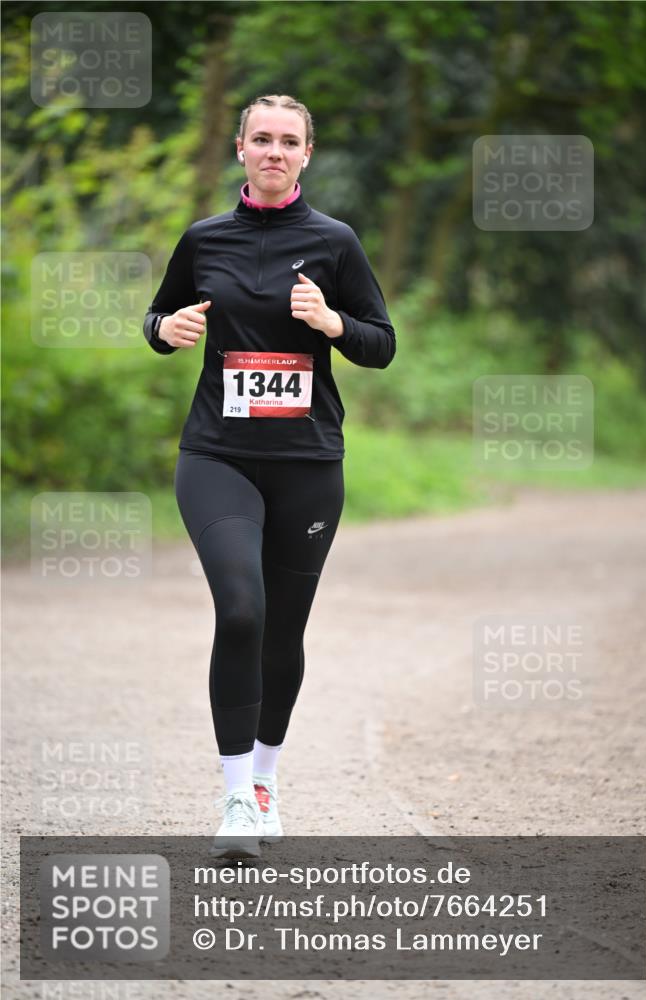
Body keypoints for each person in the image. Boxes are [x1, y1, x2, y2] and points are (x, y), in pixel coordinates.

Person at [143, 94, 396, 859]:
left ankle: (264, 781)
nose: (274, 151)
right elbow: (158, 319)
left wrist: (331, 324)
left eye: (289, 141)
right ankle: (232, 802)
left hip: (307, 465)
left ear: (307, 154)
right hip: (216, 455)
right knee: (242, 611)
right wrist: (167, 330)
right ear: (240, 148)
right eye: (262, 138)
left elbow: (380, 344)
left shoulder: (335, 242)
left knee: (283, 631)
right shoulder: (203, 239)